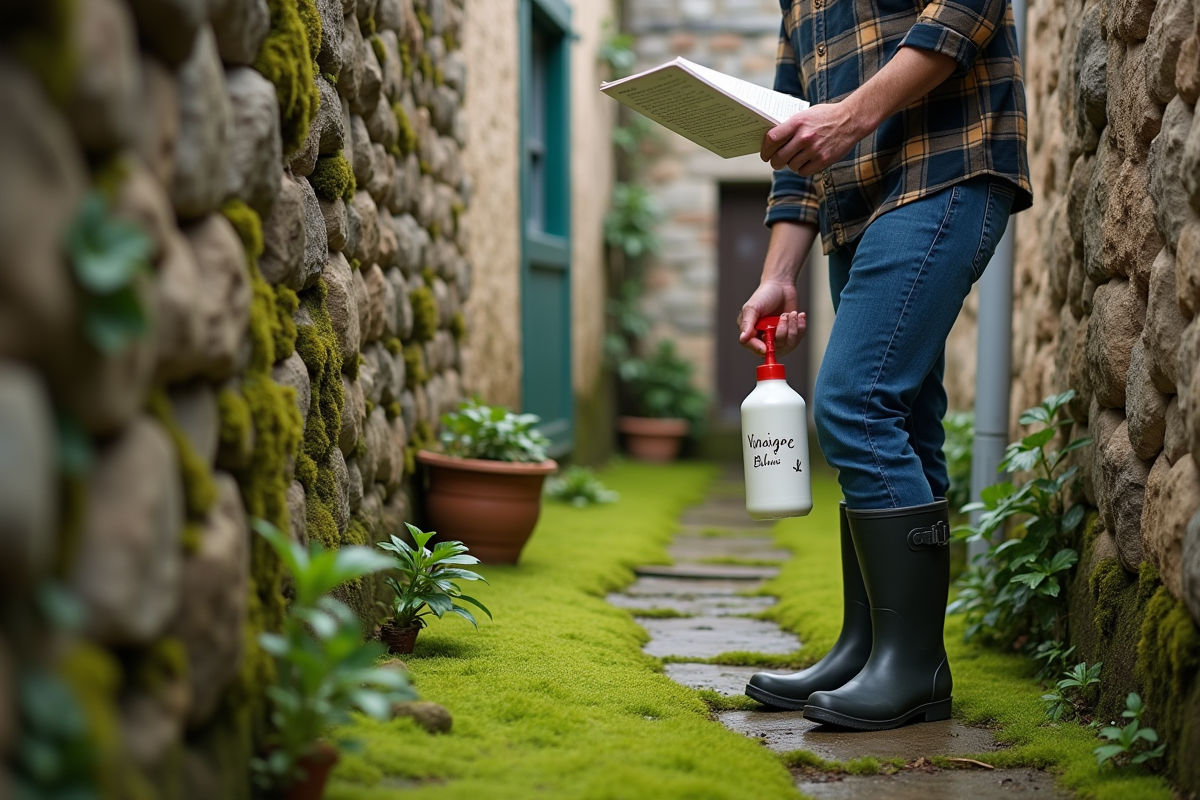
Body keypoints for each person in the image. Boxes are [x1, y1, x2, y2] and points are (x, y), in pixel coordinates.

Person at [740, 0, 1031, 731]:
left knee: (854, 400)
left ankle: (912, 665)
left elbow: (974, 6)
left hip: (948, 166)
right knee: (901, 417)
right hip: (857, 205)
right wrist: (780, 270)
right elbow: (797, 123)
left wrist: (853, 115)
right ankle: (870, 647)